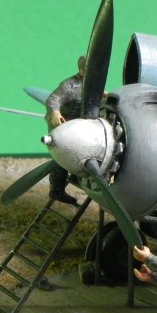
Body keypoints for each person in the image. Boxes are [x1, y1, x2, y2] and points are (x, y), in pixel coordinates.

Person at [44, 55, 86, 205]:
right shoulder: (69, 85)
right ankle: (56, 190)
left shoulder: (91, 83)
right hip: (62, 125)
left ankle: (77, 176)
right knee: (62, 156)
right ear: (82, 69)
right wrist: (55, 113)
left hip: (79, 125)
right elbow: (53, 99)